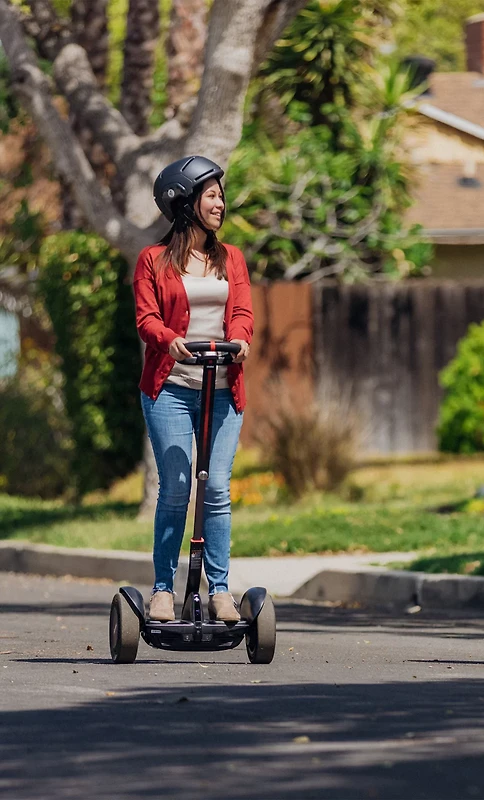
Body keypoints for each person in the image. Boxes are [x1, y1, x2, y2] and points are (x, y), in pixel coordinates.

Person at [133, 155, 254, 623]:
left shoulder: (232, 259)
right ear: (184, 201)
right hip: (171, 389)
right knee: (178, 488)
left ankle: (220, 590)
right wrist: (171, 341)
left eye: (221, 194)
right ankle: (163, 590)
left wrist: (240, 340)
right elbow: (147, 319)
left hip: (223, 388)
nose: (221, 202)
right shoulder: (153, 260)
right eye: (211, 194)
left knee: (217, 487)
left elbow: (241, 311)